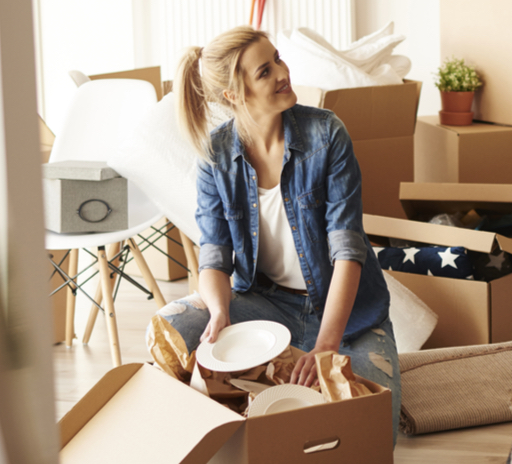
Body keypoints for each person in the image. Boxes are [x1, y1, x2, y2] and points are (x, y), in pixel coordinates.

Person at [155, 25, 401, 442]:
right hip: (266, 305)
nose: (283, 73)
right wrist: (220, 314)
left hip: (349, 316)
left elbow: (348, 250)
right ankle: (242, 404)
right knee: (171, 326)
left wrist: (327, 344)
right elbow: (214, 254)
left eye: (278, 60)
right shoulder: (215, 156)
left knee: (372, 428)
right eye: (264, 72)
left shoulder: (327, 135)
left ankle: (281, 376)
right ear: (234, 95)